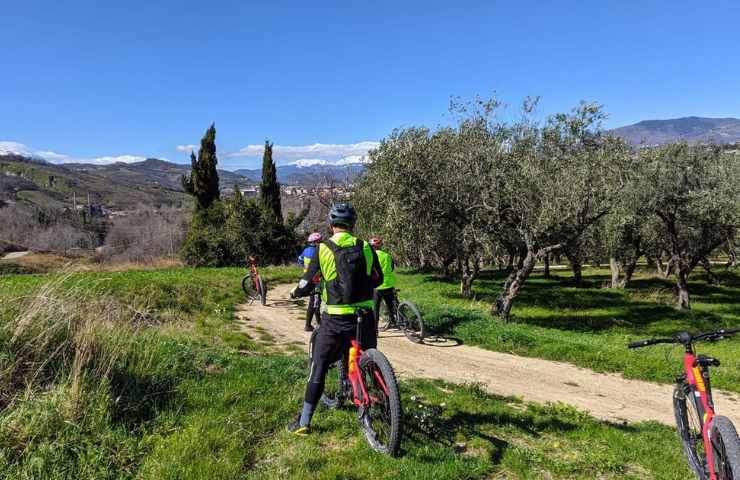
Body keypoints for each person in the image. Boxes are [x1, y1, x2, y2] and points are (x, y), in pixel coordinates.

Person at [287, 203, 383, 435]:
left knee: (319, 366)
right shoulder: (367, 248)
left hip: (336, 320)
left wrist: (295, 293)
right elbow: (378, 279)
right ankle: (381, 399)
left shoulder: (323, 249)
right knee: (367, 361)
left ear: (332, 225)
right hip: (365, 317)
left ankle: (304, 423)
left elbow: (307, 282)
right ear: (353, 225)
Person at [297, 232, 323, 332]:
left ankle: (319, 323)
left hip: (307, 277)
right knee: (315, 302)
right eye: (320, 240)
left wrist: (304, 268)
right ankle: (309, 325)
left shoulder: (306, 250)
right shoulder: (318, 251)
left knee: (315, 300)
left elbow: (300, 260)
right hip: (315, 280)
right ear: (316, 242)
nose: (321, 242)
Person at [369, 237, 396, 328]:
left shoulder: (370, 256)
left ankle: (375, 329)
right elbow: (392, 268)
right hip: (389, 284)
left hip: (377, 286)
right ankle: (394, 321)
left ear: (372, 247)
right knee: (391, 305)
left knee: (375, 309)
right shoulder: (387, 255)